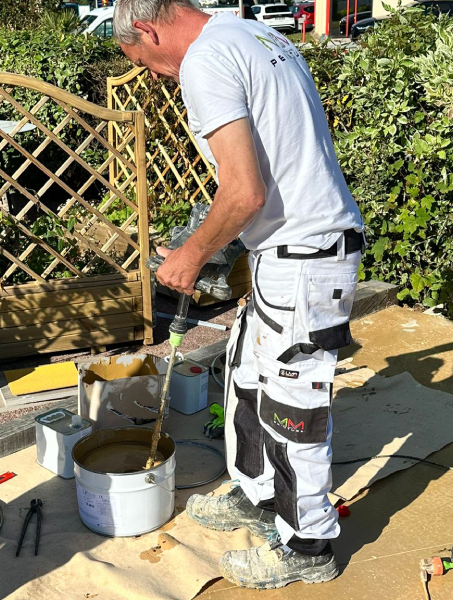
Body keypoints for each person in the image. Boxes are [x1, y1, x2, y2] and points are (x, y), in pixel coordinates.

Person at [113, 0, 364, 590]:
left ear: (147, 29)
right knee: (246, 374)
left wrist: (191, 253)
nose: (156, 75)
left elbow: (245, 191)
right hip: (288, 251)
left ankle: (308, 546)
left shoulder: (204, 61)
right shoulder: (250, 32)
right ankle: (257, 496)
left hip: (303, 255)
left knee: (292, 409)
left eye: (146, 62)